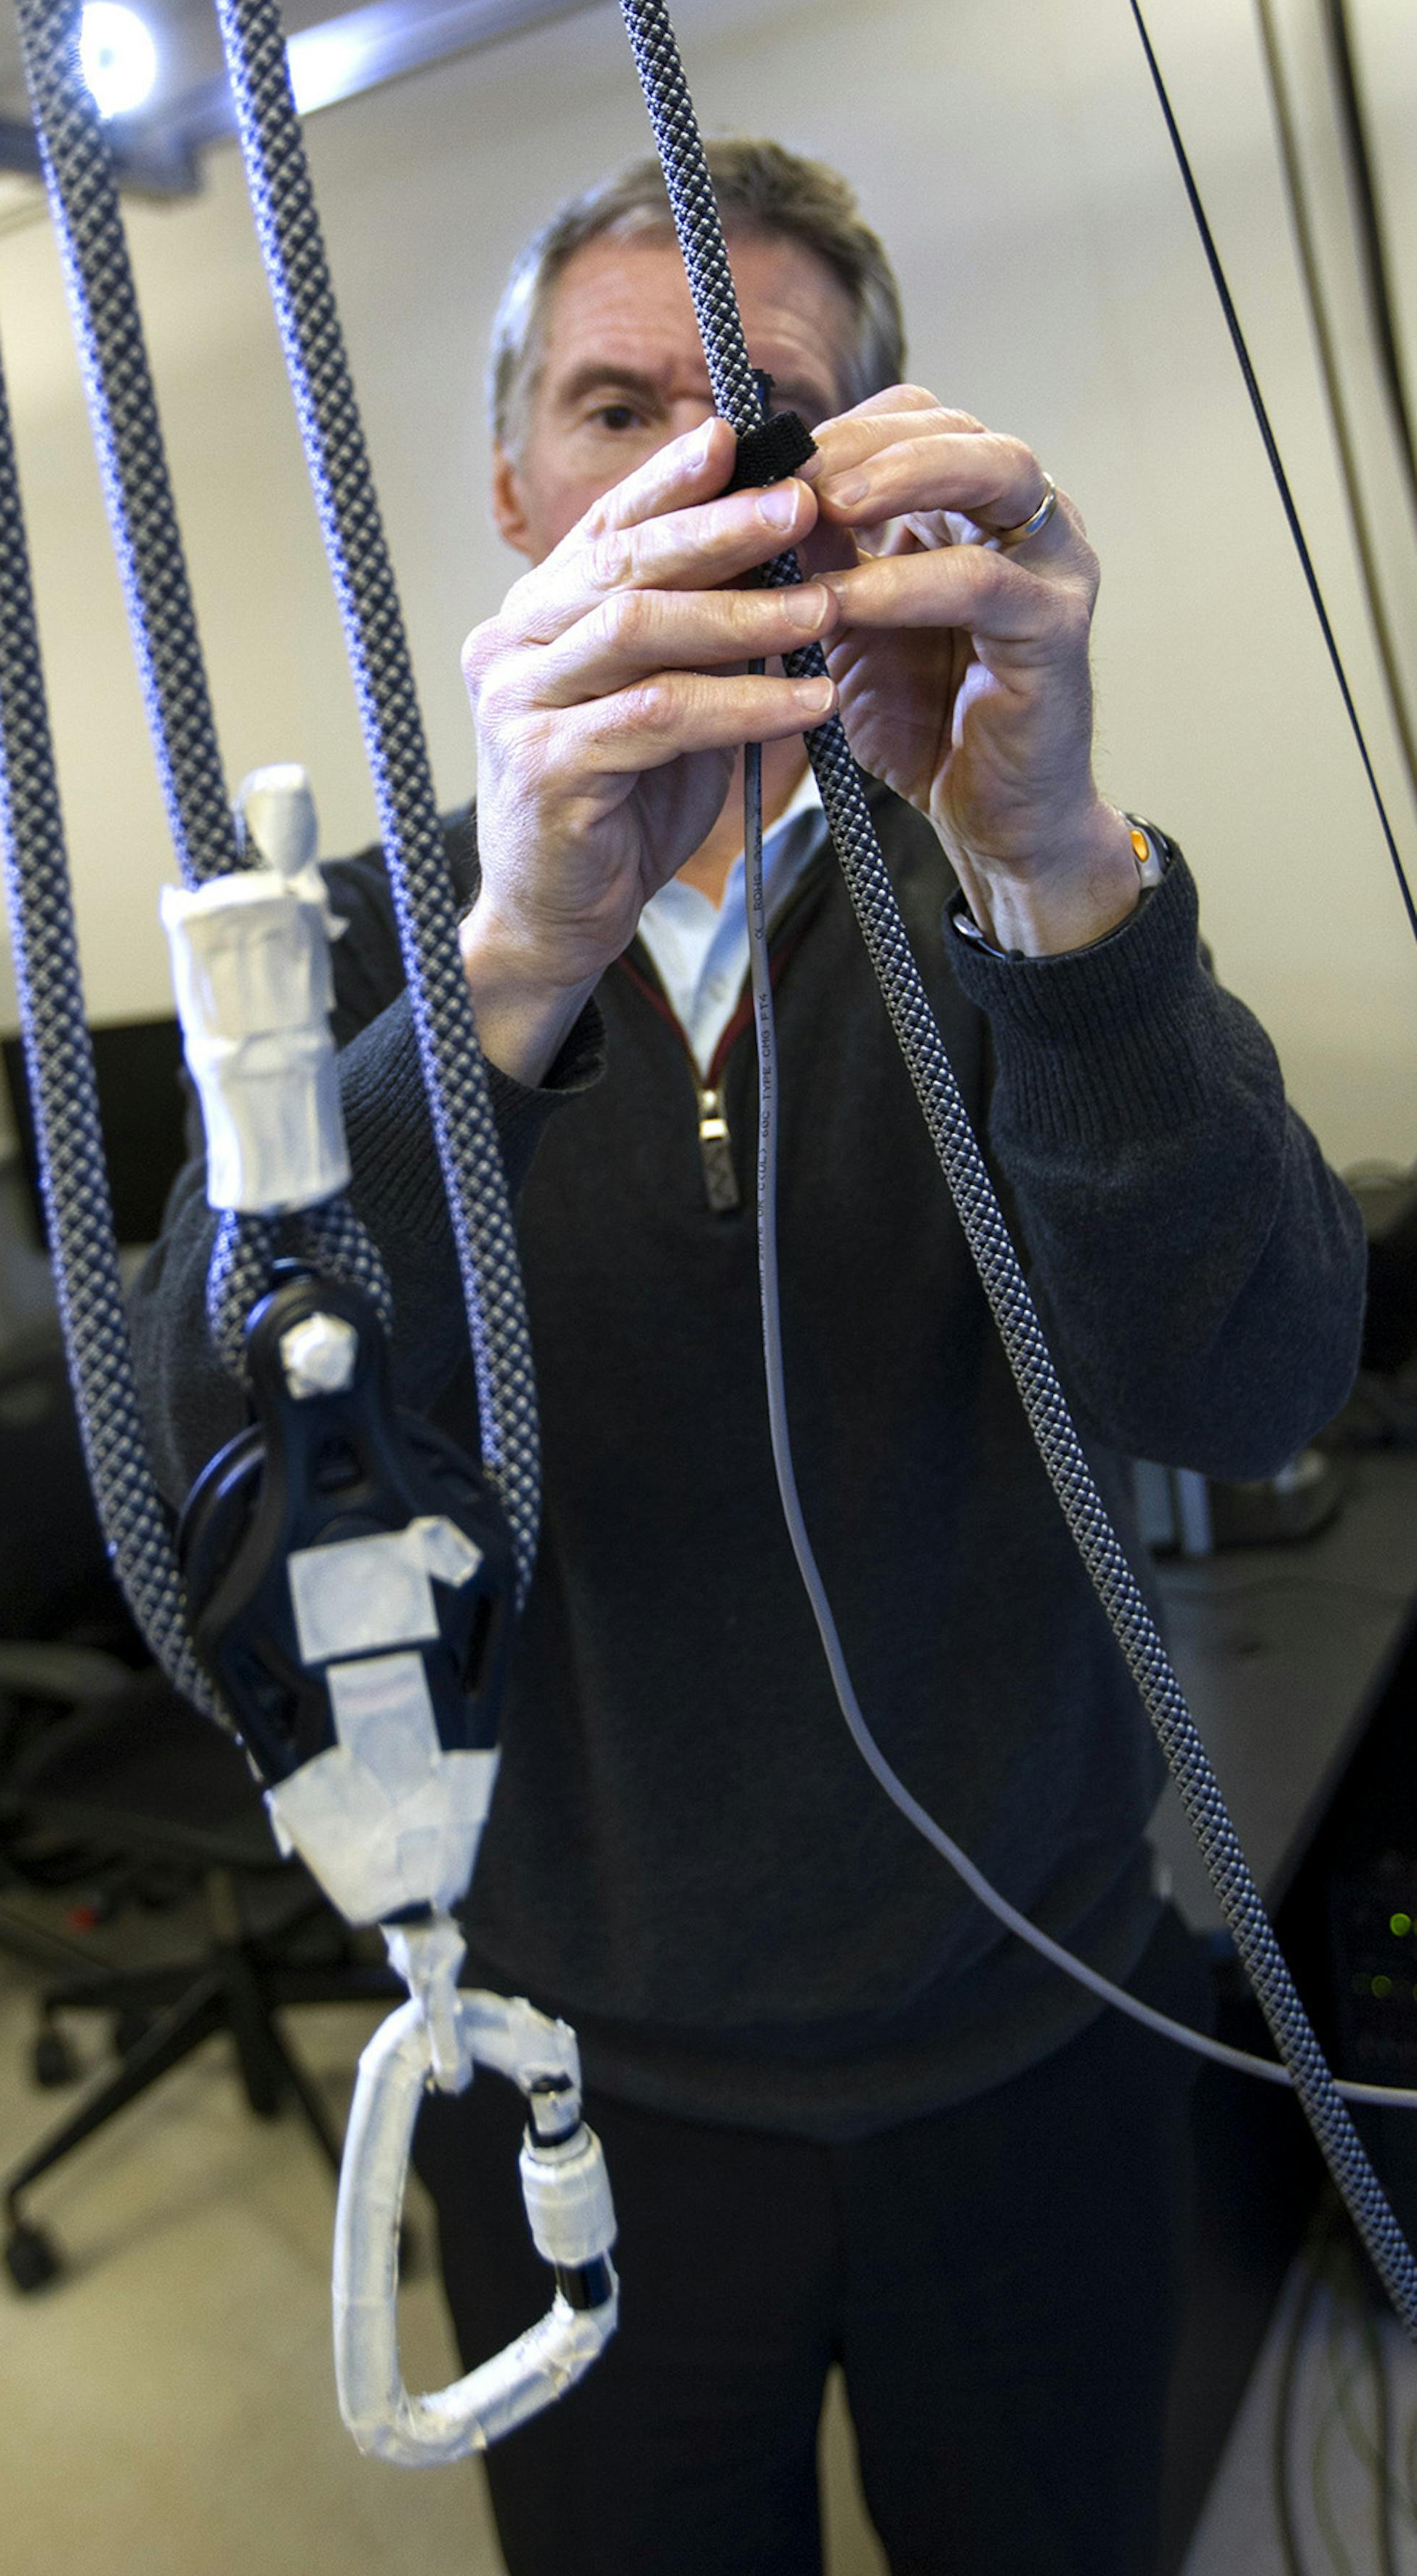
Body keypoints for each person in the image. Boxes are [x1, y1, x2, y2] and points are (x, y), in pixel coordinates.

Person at [130, 140, 1365, 2576]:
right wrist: (508, 970)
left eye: (769, 418)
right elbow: (207, 1498)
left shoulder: (1011, 877)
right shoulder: (371, 939)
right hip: (579, 2064)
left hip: (1027, 2024)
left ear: (878, 487)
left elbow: (1264, 1384)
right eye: (615, 409)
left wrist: (1060, 876)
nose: (690, 471)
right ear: (514, 486)